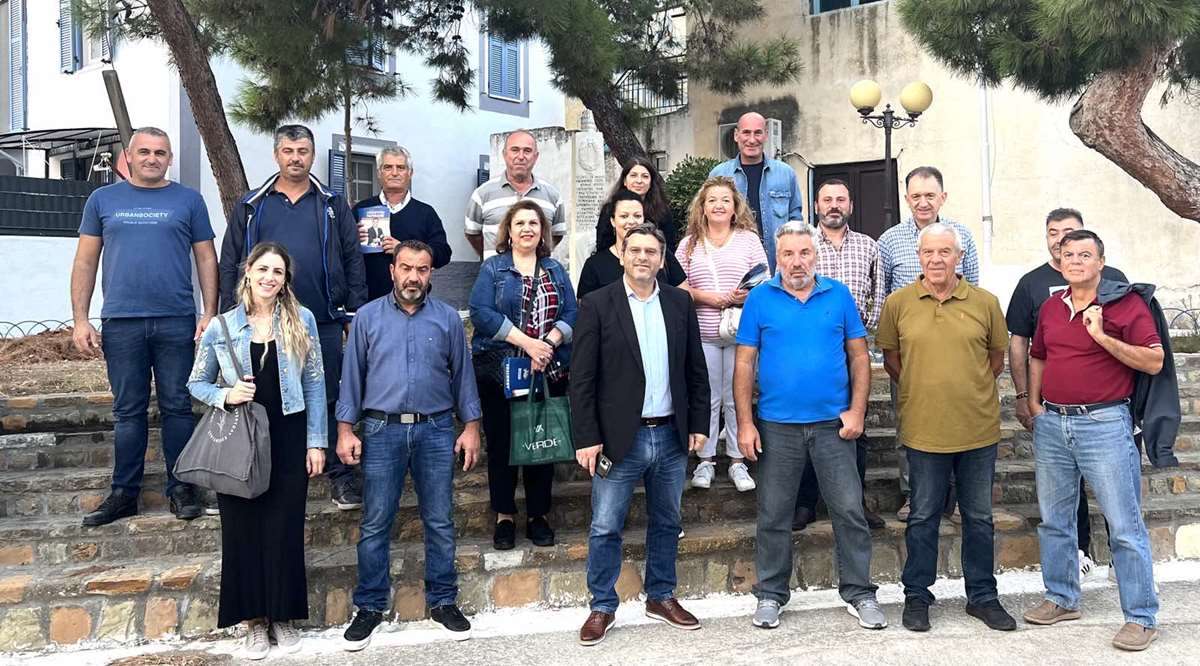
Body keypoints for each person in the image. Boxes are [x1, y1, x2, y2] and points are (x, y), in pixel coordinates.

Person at [734, 222, 886, 631]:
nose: (797, 262)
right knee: (773, 513)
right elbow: (745, 362)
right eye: (788, 254)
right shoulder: (760, 298)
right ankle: (770, 593)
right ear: (776, 258)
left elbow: (859, 356)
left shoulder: (838, 295)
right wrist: (745, 423)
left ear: (815, 255)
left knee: (849, 510)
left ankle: (860, 592)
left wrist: (857, 411)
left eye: (804, 253)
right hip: (777, 426)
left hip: (833, 426)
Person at [1022, 229, 1167, 652]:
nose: (1075, 261)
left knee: (1124, 525)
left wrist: (1102, 336)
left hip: (1104, 423)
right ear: (1059, 261)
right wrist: (1034, 403)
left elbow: (1154, 361)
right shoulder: (1051, 307)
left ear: (1101, 263)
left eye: (1084, 255)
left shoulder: (1126, 305)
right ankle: (1062, 598)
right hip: (1053, 423)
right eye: (1068, 254)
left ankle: (1141, 617)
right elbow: (1039, 355)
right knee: (1055, 520)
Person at [335, 240, 483, 650]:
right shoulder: (367, 318)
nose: (413, 277)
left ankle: (443, 600)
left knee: (439, 519)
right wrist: (345, 430)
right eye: (406, 268)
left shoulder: (447, 318)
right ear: (392, 271)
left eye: (421, 269)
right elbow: (352, 377)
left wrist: (471, 426)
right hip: (381, 431)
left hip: (436, 429)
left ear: (431, 272)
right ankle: (369, 606)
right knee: (375, 521)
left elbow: (463, 376)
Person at [570, 224, 710, 646]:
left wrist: (699, 424)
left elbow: (696, 369)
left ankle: (661, 596)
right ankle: (602, 605)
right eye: (635, 250)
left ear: (662, 259)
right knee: (605, 525)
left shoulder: (679, 303)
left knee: (667, 521)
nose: (643, 258)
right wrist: (586, 437)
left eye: (651, 251)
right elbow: (582, 378)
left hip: (670, 435)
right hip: (618, 439)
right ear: (623, 256)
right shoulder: (598, 304)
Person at [70, 126, 217, 526]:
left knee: (178, 407)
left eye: (160, 153)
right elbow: (85, 260)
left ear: (170, 159)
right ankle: (124, 494)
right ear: (129, 157)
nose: (153, 158)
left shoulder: (188, 200)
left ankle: (182, 487)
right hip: (122, 322)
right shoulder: (102, 200)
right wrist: (81, 319)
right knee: (128, 411)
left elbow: (206, 257)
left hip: (176, 320)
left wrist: (208, 312)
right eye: (145, 152)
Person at [186, 242, 326, 659]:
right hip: (240, 438)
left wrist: (316, 441)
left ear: (285, 280)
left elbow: (315, 383)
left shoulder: (301, 320)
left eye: (277, 272)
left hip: (288, 433)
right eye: (263, 269)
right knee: (242, 528)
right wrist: (225, 395)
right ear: (248, 271)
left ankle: (282, 617)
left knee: (285, 527)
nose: (269, 278)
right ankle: (253, 622)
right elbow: (196, 383)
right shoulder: (221, 327)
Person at [219, 124, 368, 512]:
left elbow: (352, 258)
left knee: (329, 395)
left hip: (323, 319)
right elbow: (231, 259)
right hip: (262, 321)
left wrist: (352, 311)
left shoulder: (332, 204)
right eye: (288, 151)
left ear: (313, 155)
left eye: (303, 151)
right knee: (264, 395)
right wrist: (229, 313)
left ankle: (339, 475)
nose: (295, 158)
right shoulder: (252, 205)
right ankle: (255, 467)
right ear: (276, 155)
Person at [875, 222, 1015, 634]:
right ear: (918, 257)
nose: (936, 260)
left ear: (959, 257)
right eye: (928, 252)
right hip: (923, 430)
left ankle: (983, 597)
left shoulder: (985, 303)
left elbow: (996, 360)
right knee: (922, 517)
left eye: (945, 252)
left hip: (977, 430)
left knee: (978, 518)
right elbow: (893, 361)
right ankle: (917, 596)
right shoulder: (898, 303)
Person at [1006, 208, 1128, 580]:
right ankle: (1079, 554)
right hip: (1055, 410)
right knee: (1063, 496)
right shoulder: (1033, 285)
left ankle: (1123, 564)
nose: (1062, 240)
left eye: (1070, 232)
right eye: (1054, 232)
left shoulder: (1115, 281)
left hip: (1107, 411)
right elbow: (1024, 345)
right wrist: (1026, 397)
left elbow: (1142, 346)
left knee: (1118, 495)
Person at [468, 200, 578, 550]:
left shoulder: (555, 269)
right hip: (502, 370)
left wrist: (548, 344)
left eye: (534, 223)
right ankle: (504, 516)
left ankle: (538, 516)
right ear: (509, 232)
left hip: (547, 369)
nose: (527, 229)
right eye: (520, 223)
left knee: (541, 443)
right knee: (502, 445)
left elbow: (572, 312)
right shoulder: (493, 268)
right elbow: (481, 312)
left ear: (542, 231)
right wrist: (528, 344)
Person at [877, 166, 980, 521]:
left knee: (960, 421)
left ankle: (957, 497)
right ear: (907, 199)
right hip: (910, 354)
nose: (923, 202)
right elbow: (884, 297)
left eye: (930, 195)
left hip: (958, 353)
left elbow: (974, 293)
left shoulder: (962, 236)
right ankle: (914, 494)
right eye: (916, 196)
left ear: (943, 197)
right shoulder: (889, 241)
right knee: (909, 425)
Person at [792, 179, 887, 531]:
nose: (834, 205)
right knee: (807, 424)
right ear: (816, 206)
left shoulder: (868, 246)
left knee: (855, 425)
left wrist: (864, 330)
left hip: (853, 349)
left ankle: (856, 502)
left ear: (850, 205)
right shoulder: (803, 244)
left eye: (841, 199)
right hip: (809, 349)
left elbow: (879, 293)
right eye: (827, 199)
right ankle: (805, 504)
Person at [674, 176, 768, 492]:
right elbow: (678, 287)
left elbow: (764, 279)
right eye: (712, 200)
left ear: (735, 207)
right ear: (702, 207)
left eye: (725, 200)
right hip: (703, 331)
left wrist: (744, 295)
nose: (718, 205)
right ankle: (706, 459)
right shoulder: (688, 245)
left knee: (737, 395)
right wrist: (710, 298)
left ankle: (738, 460)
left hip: (742, 331)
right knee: (708, 395)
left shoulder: (748, 240)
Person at [353, 146, 452, 300]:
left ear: (410, 173)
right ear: (379, 173)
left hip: (413, 300)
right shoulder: (361, 210)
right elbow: (343, 254)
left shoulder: (426, 213)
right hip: (368, 301)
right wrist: (353, 239)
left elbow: (443, 253)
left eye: (400, 167)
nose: (394, 173)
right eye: (388, 167)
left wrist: (404, 249)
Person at [708, 112, 803, 270]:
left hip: (778, 267)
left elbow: (796, 221)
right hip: (734, 267)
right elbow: (708, 222)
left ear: (766, 135)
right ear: (736, 135)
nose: (752, 140)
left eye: (758, 133)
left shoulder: (786, 174)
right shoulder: (719, 174)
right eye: (746, 132)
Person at [464, 129, 565, 260]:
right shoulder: (482, 194)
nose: (521, 156)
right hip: (496, 272)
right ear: (505, 154)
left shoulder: (552, 196)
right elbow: (473, 234)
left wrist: (538, 254)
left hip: (538, 271)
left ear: (536, 157)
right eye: (515, 150)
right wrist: (493, 257)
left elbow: (556, 234)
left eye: (527, 151)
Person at [577, 189, 687, 299]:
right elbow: (586, 305)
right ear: (613, 221)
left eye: (637, 216)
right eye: (624, 216)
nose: (631, 221)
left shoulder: (661, 255)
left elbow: (684, 295)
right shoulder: (594, 265)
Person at [594, 157, 677, 253]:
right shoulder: (610, 209)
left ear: (651, 182)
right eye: (633, 175)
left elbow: (669, 246)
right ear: (625, 181)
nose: (639, 181)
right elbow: (602, 245)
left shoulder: (662, 211)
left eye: (645, 176)